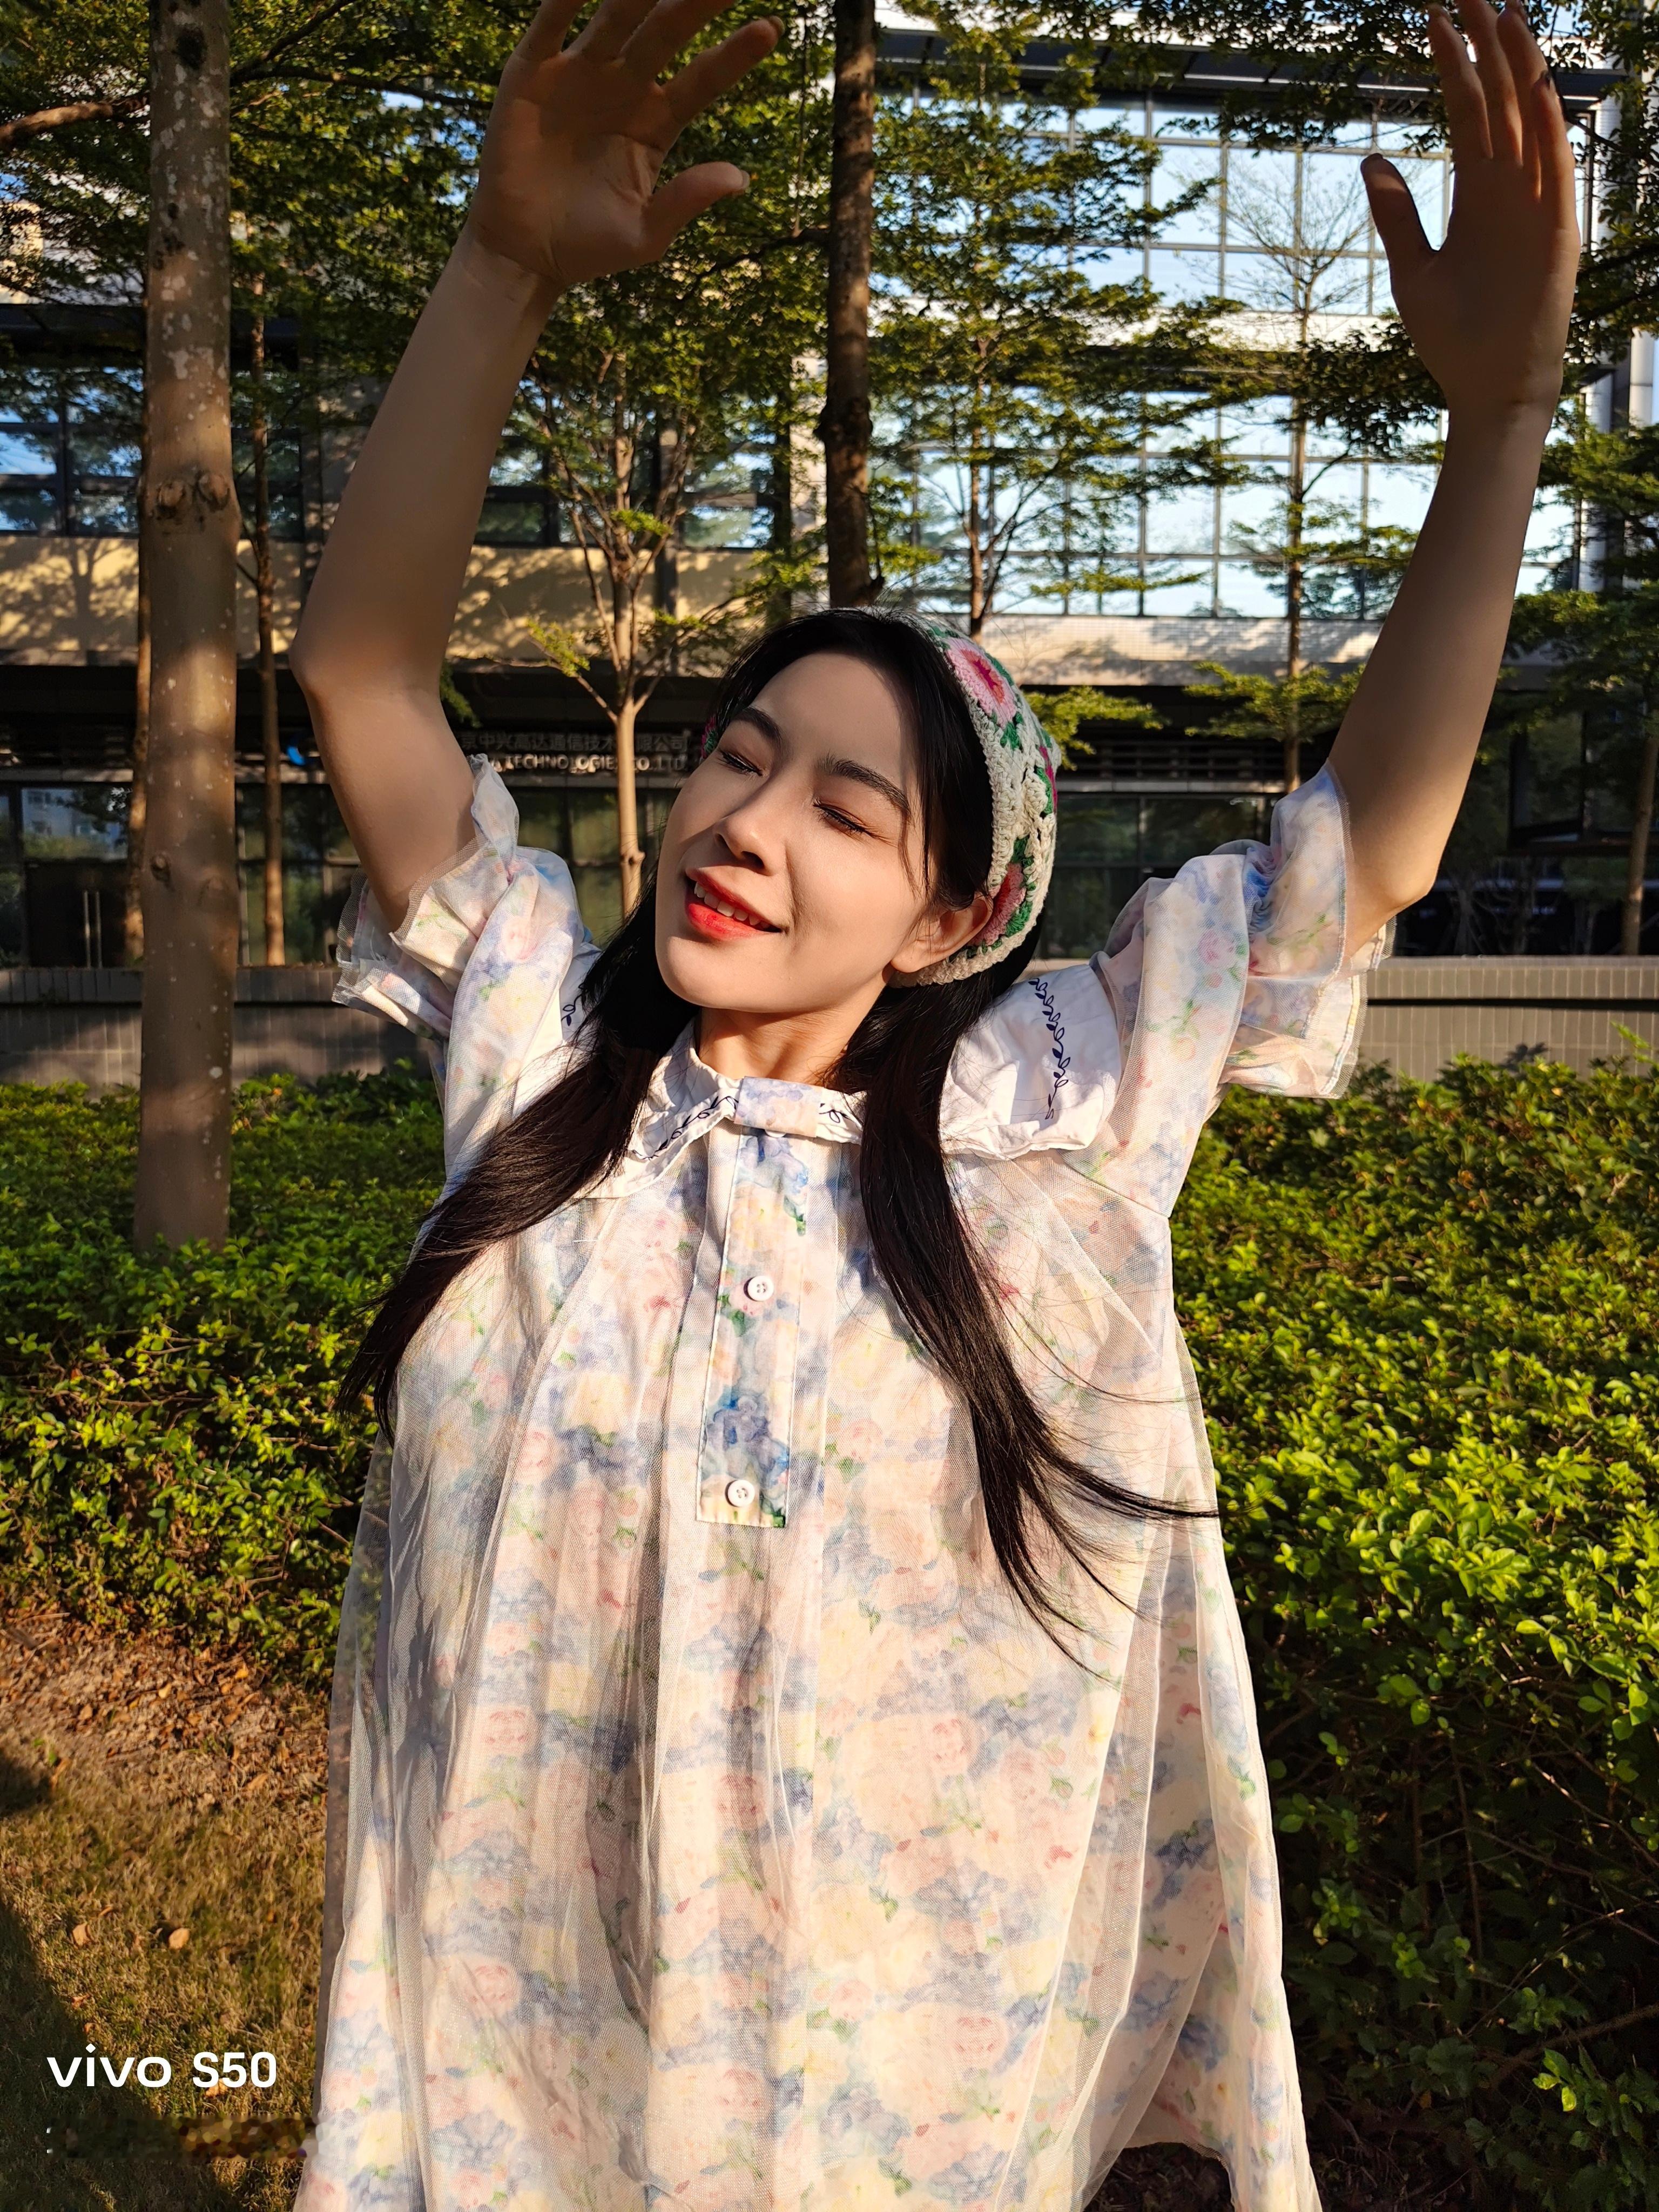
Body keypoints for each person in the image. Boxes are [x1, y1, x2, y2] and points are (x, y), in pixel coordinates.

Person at [287, 0, 1578, 2202]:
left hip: (894, 2110)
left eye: (846, 805)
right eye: (738, 753)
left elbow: (1367, 843)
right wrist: (496, 269)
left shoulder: (1052, 1110)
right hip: (523, 2080)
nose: (743, 820)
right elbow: (364, 672)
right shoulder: (546, 1046)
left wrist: (1503, 426)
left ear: (959, 907)